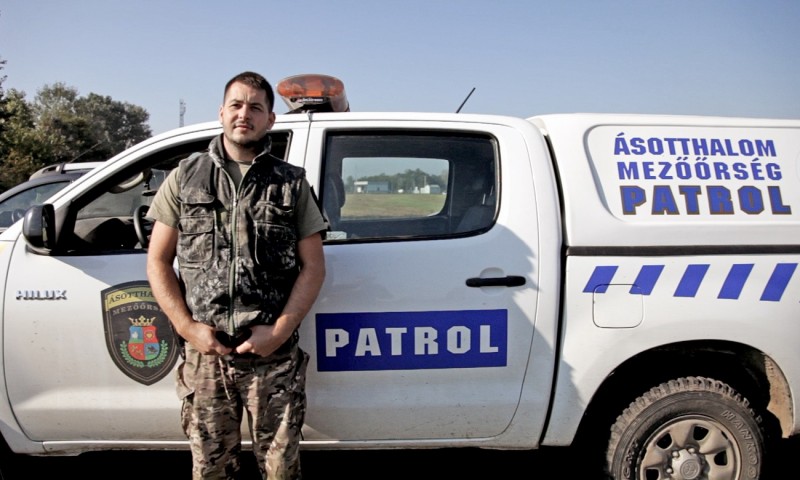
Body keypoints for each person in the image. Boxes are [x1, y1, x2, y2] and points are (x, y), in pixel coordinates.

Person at [146, 71, 327, 479]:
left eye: (256, 107)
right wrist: (188, 327)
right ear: (222, 112)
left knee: (280, 470)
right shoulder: (185, 177)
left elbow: (314, 266)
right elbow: (158, 261)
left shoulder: (290, 184)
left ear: (270, 120)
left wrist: (279, 332)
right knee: (211, 472)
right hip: (207, 357)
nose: (245, 114)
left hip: (273, 356)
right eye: (237, 105)